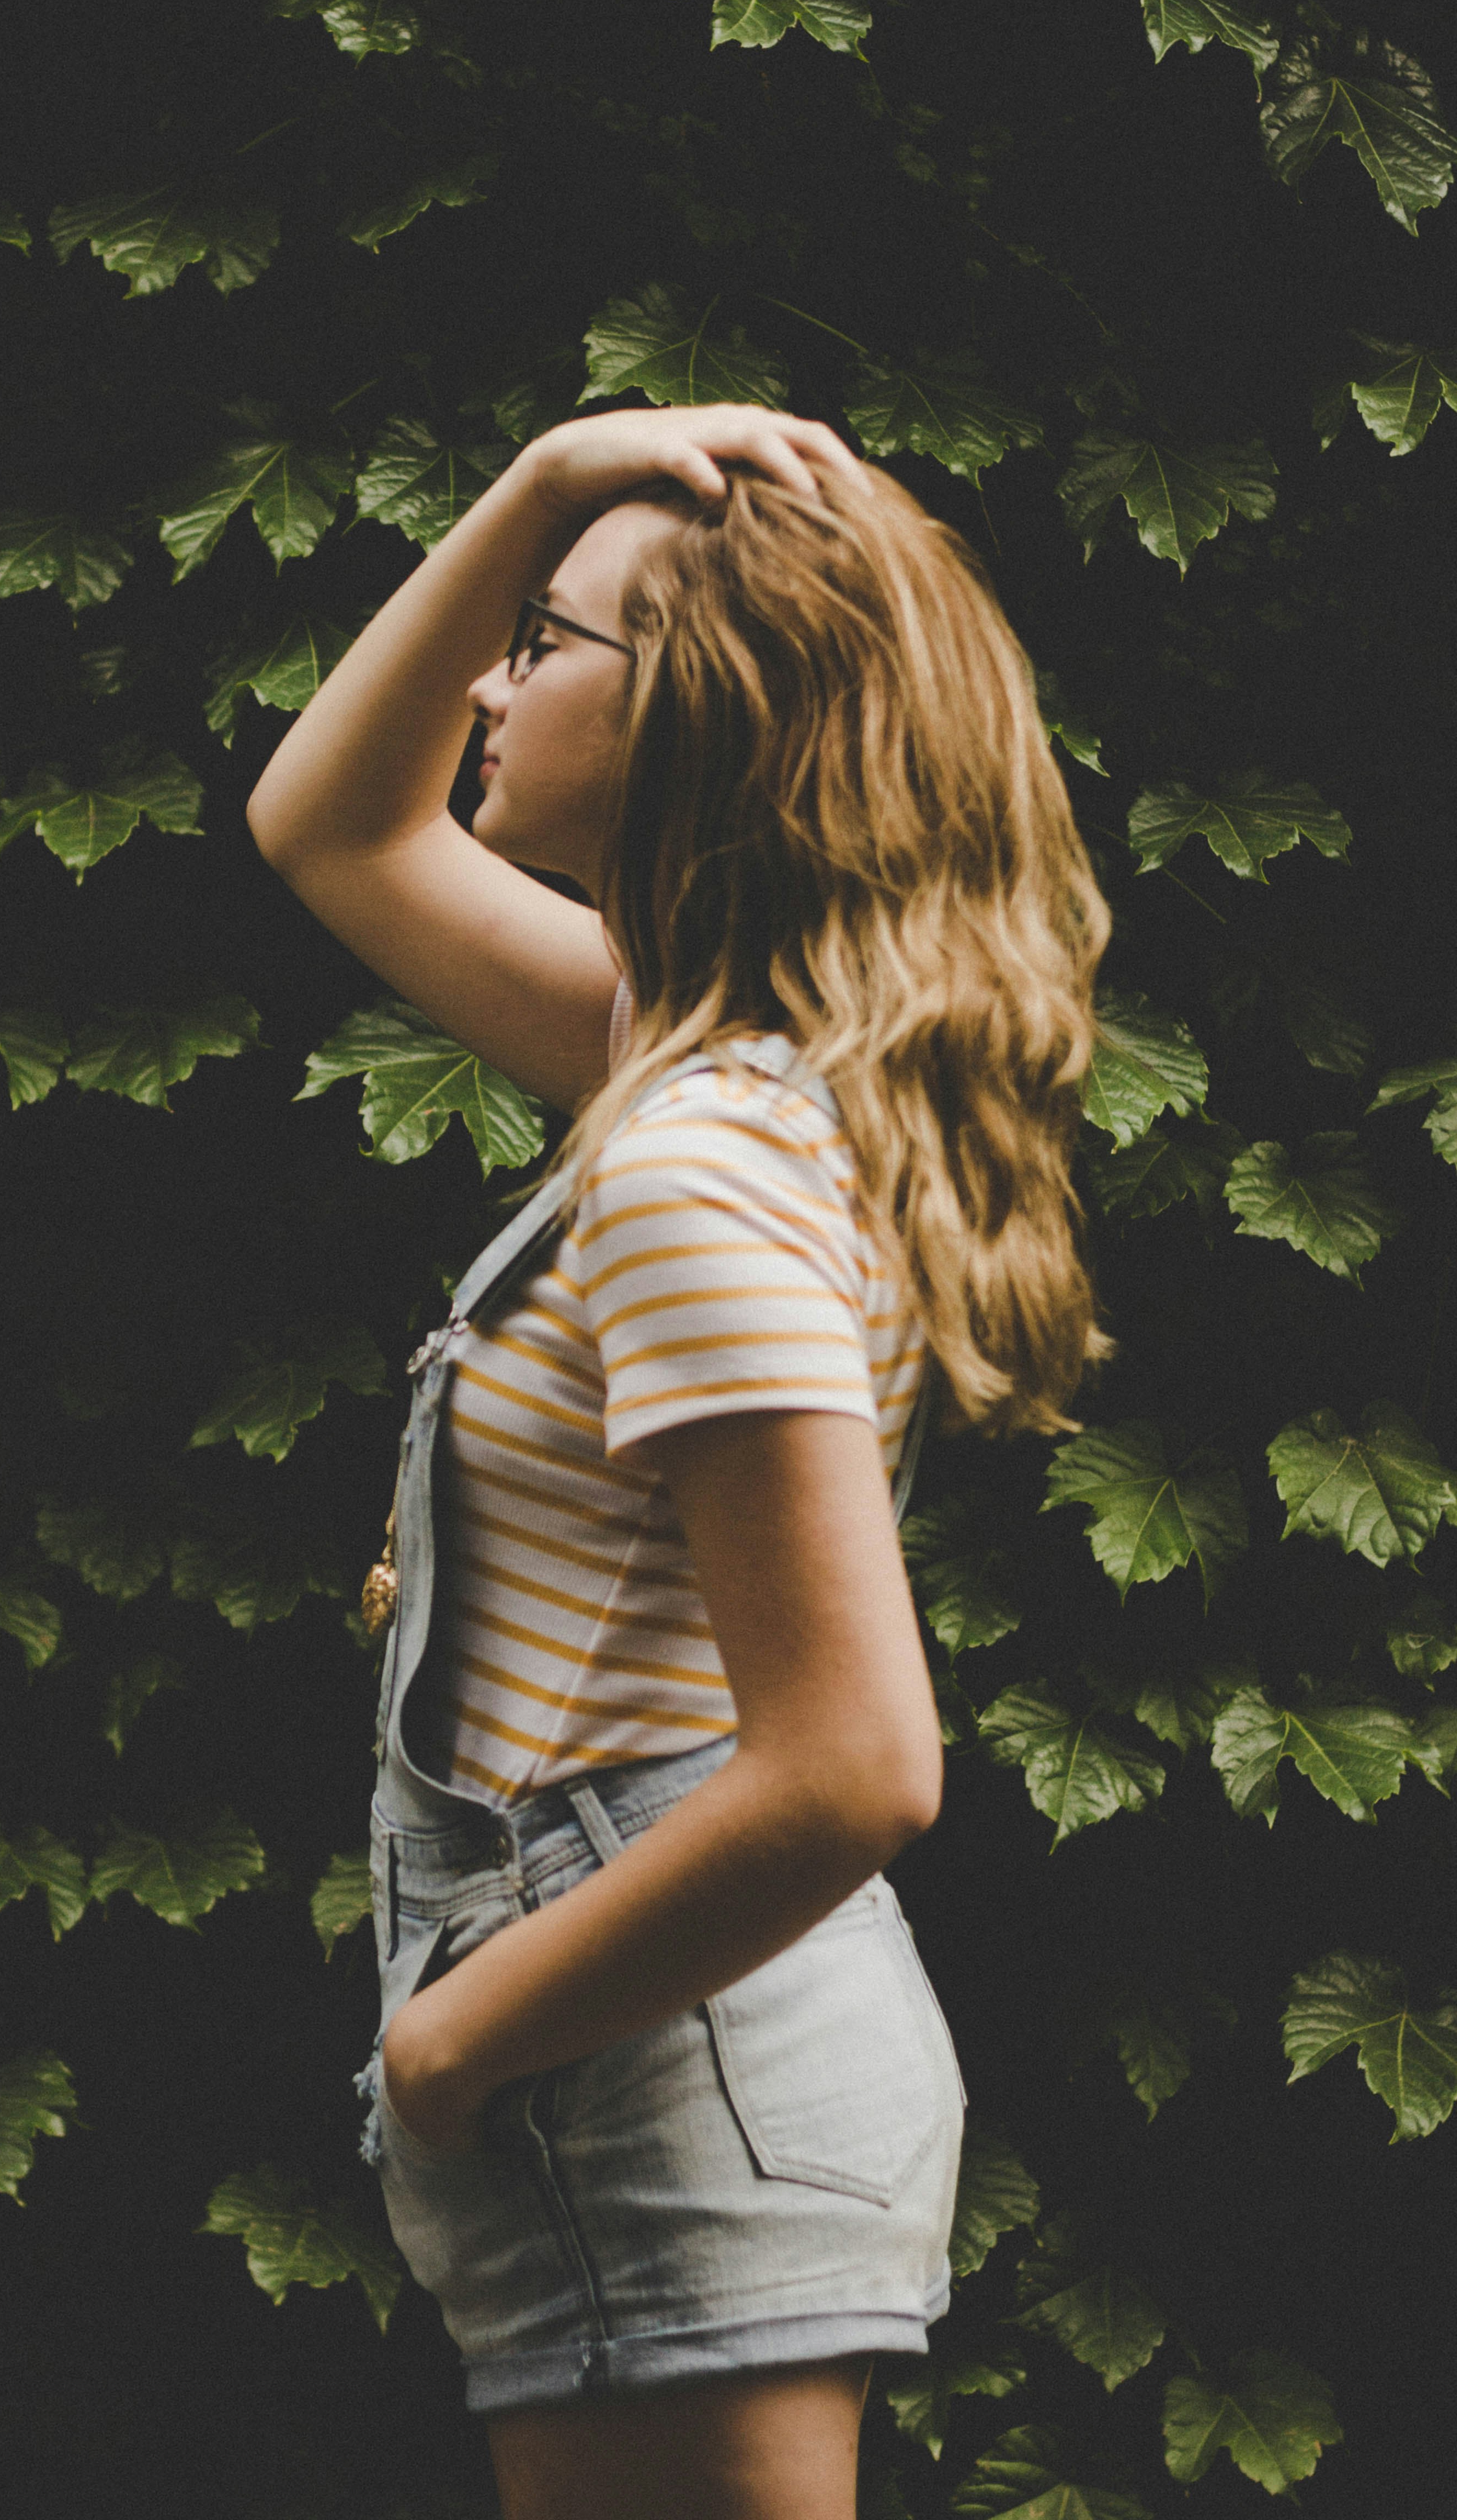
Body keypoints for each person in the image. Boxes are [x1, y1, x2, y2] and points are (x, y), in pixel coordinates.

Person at [244, 404, 1109, 2520]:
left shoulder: (702, 1158)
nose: (493, 681)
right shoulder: (714, 1059)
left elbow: (854, 1760)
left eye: (547, 640)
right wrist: (549, 481)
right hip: (654, 2071)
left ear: (700, 724)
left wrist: (453, 2047)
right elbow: (328, 823)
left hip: (650, 2080)